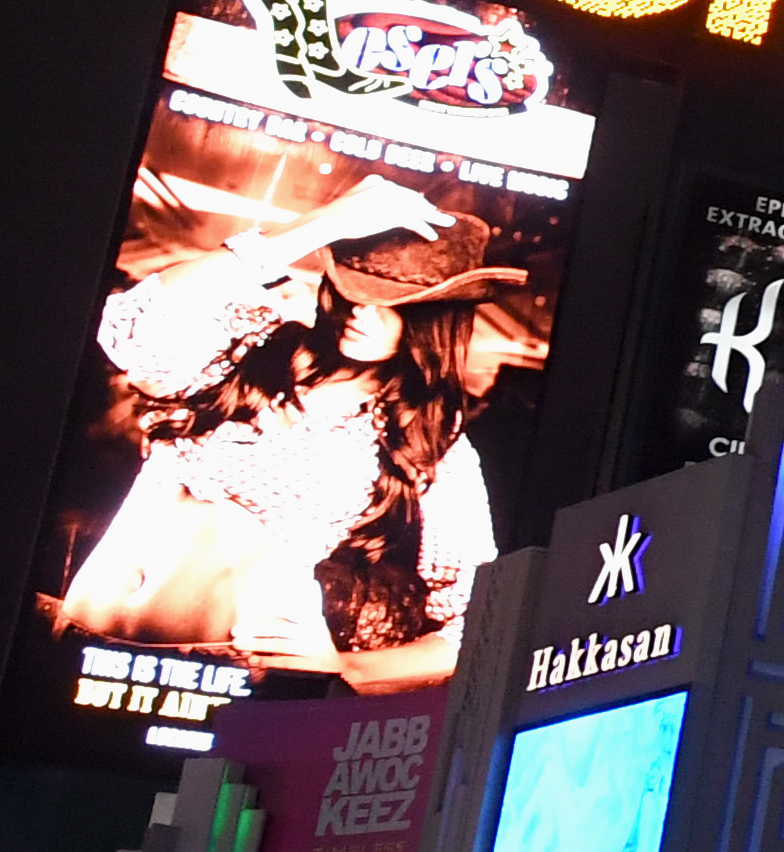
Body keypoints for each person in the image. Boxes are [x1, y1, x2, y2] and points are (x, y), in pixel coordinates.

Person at [53, 174, 518, 688]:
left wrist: (347, 668)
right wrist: (321, 224)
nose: (361, 310)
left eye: (392, 300)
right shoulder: (252, 341)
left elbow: (480, 618)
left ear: (437, 319)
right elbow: (129, 326)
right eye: (351, 286)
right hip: (73, 635)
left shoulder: (430, 442)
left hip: (222, 670)